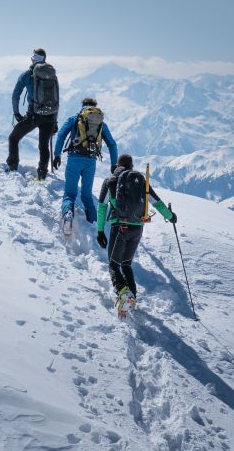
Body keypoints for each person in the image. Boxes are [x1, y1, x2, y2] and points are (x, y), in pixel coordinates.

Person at [96, 154, 176, 314]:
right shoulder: (140, 181)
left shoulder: (110, 181)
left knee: (113, 265)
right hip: (137, 228)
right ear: (131, 166)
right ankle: (131, 300)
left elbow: (102, 207)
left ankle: (123, 293)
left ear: (117, 165)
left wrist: (100, 231)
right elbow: (156, 202)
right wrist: (171, 216)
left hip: (120, 227)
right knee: (126, 264)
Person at [53, 98, 117, 224]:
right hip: (90, 161)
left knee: (70, 194)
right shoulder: (100, 123)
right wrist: (114, 164)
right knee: (87, 196)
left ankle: (68, 216)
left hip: (74, 159)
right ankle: (94, 224)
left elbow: (61, 135)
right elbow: (112, 144)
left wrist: (57, 155)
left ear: (83, 106)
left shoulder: (74, 119)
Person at [5, 48, 59, 179]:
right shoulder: (52, 75)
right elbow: (56, 99)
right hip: (50, 115)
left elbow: (16, 95)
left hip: (34, 115)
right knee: (43, 145)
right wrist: (55, 121)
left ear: (32, 59)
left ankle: (12, 166)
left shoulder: (27, 74)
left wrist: (17, 113)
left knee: (13, 138)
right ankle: (42, 172)